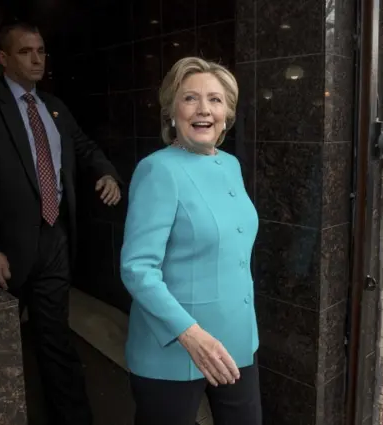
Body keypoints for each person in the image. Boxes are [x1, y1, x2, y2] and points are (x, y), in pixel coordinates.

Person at [0, 21, 122, 425]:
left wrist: (107, 173)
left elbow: (85, 147)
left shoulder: (54, 107)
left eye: (41, 51)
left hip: (54, 240)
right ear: (3, 58)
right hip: (5, 250)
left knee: (55, 340)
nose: (37, 59)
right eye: (26, 52)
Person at [120, 57, 261, 425]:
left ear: (227, 113)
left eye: (215, 100)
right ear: (172, 112)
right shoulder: (158, 169)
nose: (204, 110)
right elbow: (138, 269)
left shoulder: (230, 165)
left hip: (236, 340)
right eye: (190, 99)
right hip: (174, 347)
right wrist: (191, 335)